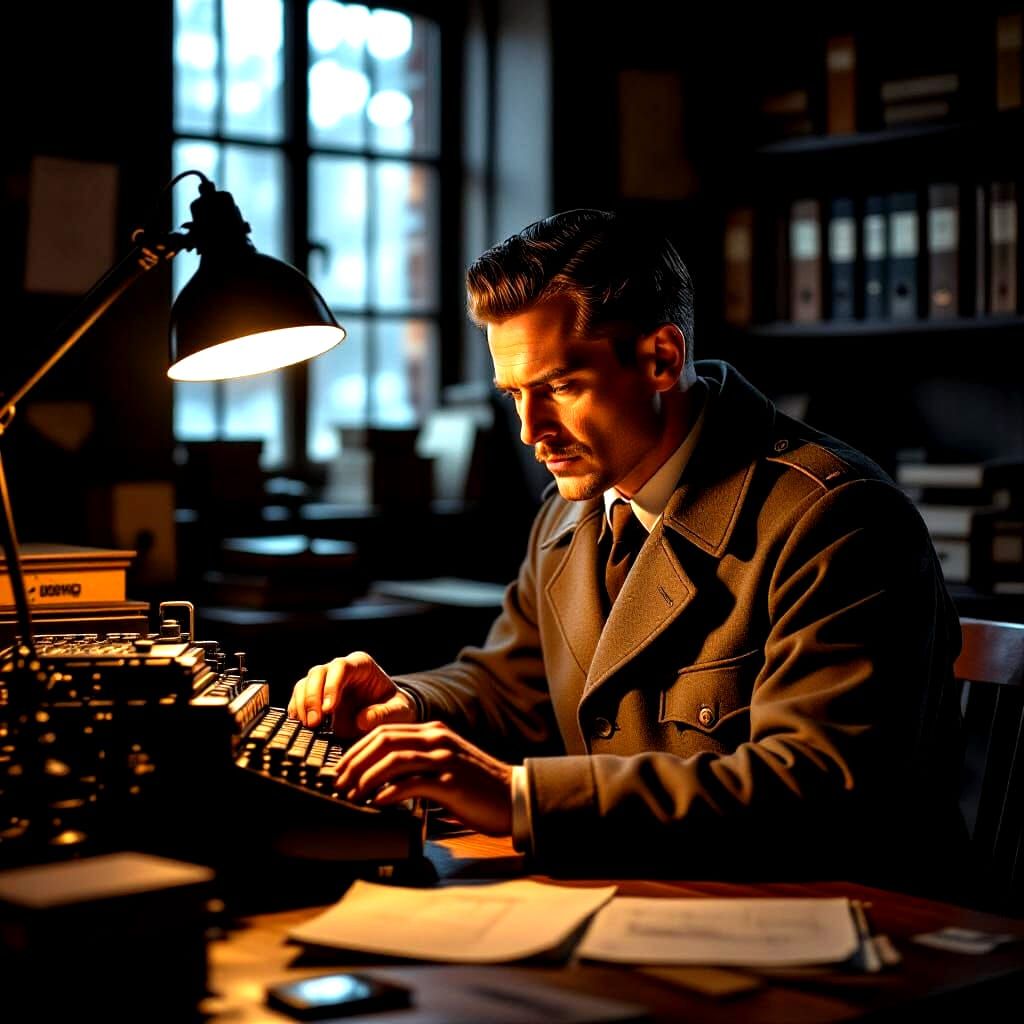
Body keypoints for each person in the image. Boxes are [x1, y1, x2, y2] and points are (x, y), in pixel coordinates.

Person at [288, 209, 967, 891]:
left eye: (559, 387)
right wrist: (406, 705)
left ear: (662, 359)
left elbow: (814, 788)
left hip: (845, 929)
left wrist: (519, 797)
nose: (531, 432)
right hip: (650, 897)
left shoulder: (837, 518)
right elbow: (508, 685)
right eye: (515, 396)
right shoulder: (573, 512)